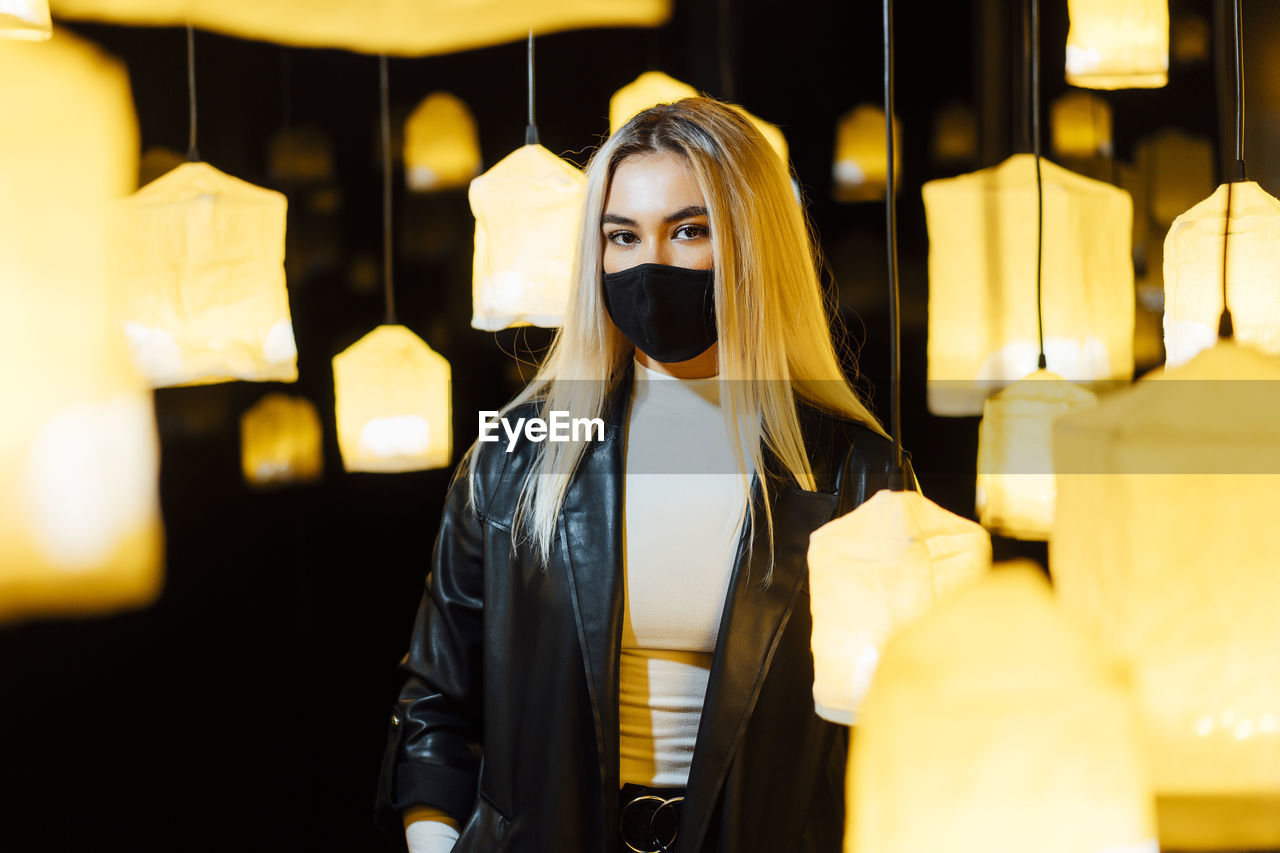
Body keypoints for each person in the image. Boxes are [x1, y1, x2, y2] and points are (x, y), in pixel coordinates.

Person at [375, 96, 901, 853]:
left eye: (689, 230)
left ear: (752, 242)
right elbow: (434, 702)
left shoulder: (856, 473)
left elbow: (902, 719)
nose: (649, 262)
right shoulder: (517, 456)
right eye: (622, 235)